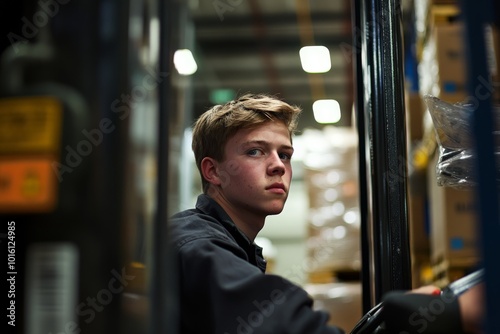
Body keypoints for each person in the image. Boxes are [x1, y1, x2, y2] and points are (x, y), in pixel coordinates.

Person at [168, 93, 345, 334]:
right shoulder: (195, 242)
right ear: (213, 171)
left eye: (284, 155)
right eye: (255, 152)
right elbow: (282, 324)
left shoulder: (238, 247)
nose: (278, 166)